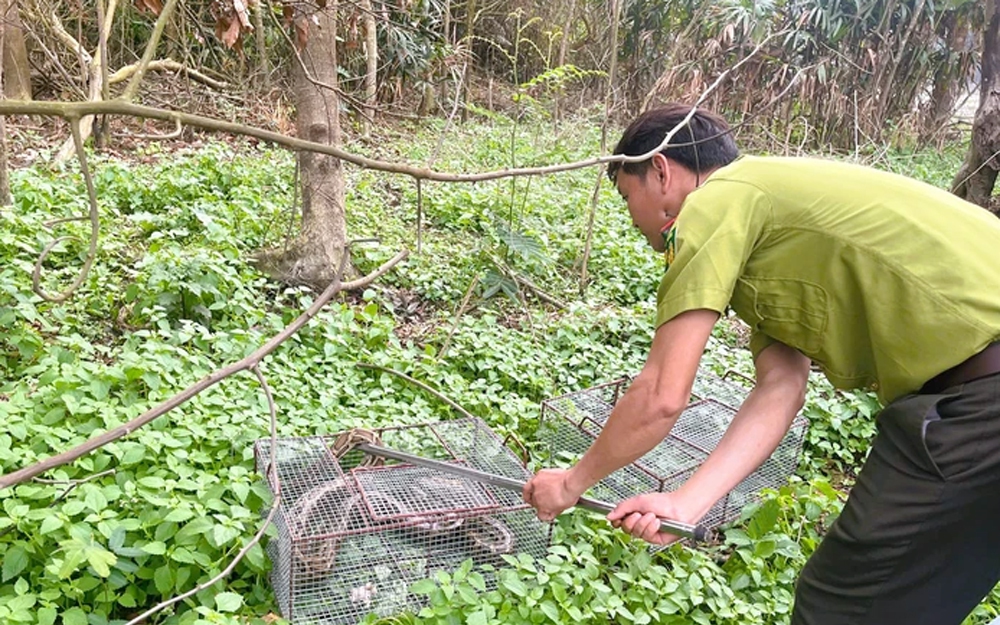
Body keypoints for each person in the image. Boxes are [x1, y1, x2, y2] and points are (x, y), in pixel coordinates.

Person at [522, 102, 1000, 625]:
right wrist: (686, 503)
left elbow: (661, 394)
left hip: (979, 399)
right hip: (975, 392)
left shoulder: (719, 199)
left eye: (625, 193)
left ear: (660, 170)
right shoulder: (770, 218)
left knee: (842, 603)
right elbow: (781, 388)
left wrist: (571, 484)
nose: (632, 217)